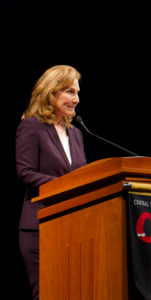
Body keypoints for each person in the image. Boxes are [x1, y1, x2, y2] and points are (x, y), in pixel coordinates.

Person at [16, 65, 87, 300]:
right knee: (48, 294)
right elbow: (25, 173)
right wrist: (66, 184)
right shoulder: (32, 126)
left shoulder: (76, 133)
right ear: (51, 92)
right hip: (41, 227)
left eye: (77, 92)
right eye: (69, 92)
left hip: (72, 228)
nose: (76, 99)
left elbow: (83, 177)